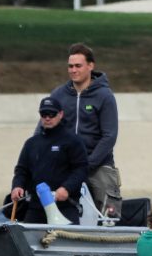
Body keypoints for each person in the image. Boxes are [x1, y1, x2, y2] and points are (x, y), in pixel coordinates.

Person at [48, 43, 122, 219]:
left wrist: (87, 165)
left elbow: (109, 136)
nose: (73, 70)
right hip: (65, 163)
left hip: (98, 164)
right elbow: (43, 130)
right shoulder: (58, 95)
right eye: (70, 66)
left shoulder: (105, 96)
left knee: (109, 215)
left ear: (90, 66)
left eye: (78, 66)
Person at [11, 97, 88, 224]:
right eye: (44, 114)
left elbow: (81, 169)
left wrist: (66, 188)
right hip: (36, 207)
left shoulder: (73, 141)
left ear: (61, 114)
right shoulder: (31, 143)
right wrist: (17, 186)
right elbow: (21, 170)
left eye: (52, 114)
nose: (47, 118)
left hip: (65, 206)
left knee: (68, 239)